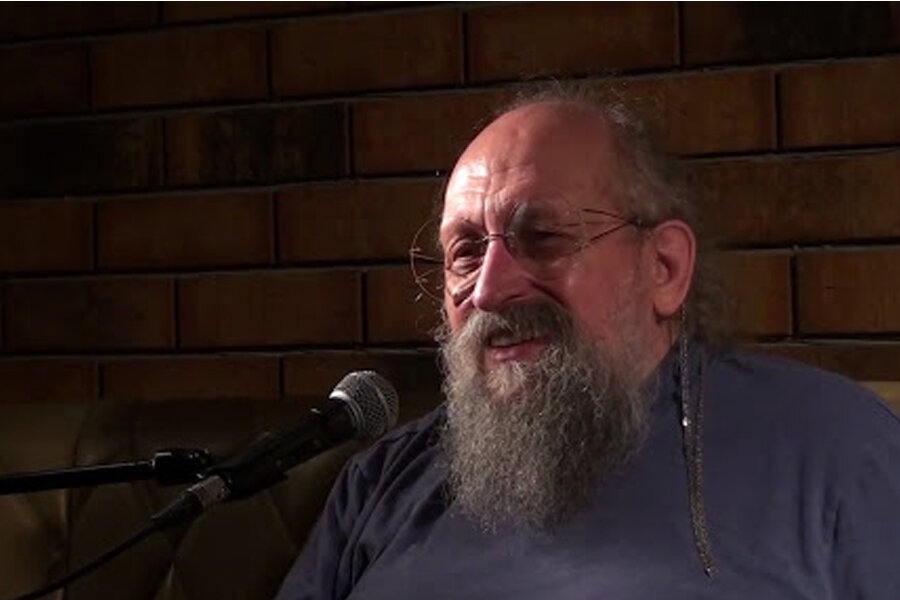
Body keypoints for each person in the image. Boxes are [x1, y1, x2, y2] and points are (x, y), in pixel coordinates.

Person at [274, 91, 900, 599]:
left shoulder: (835, 449)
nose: (488, 290)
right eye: (465, 252)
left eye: (543, 237)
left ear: (664, 268)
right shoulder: (386, 479)